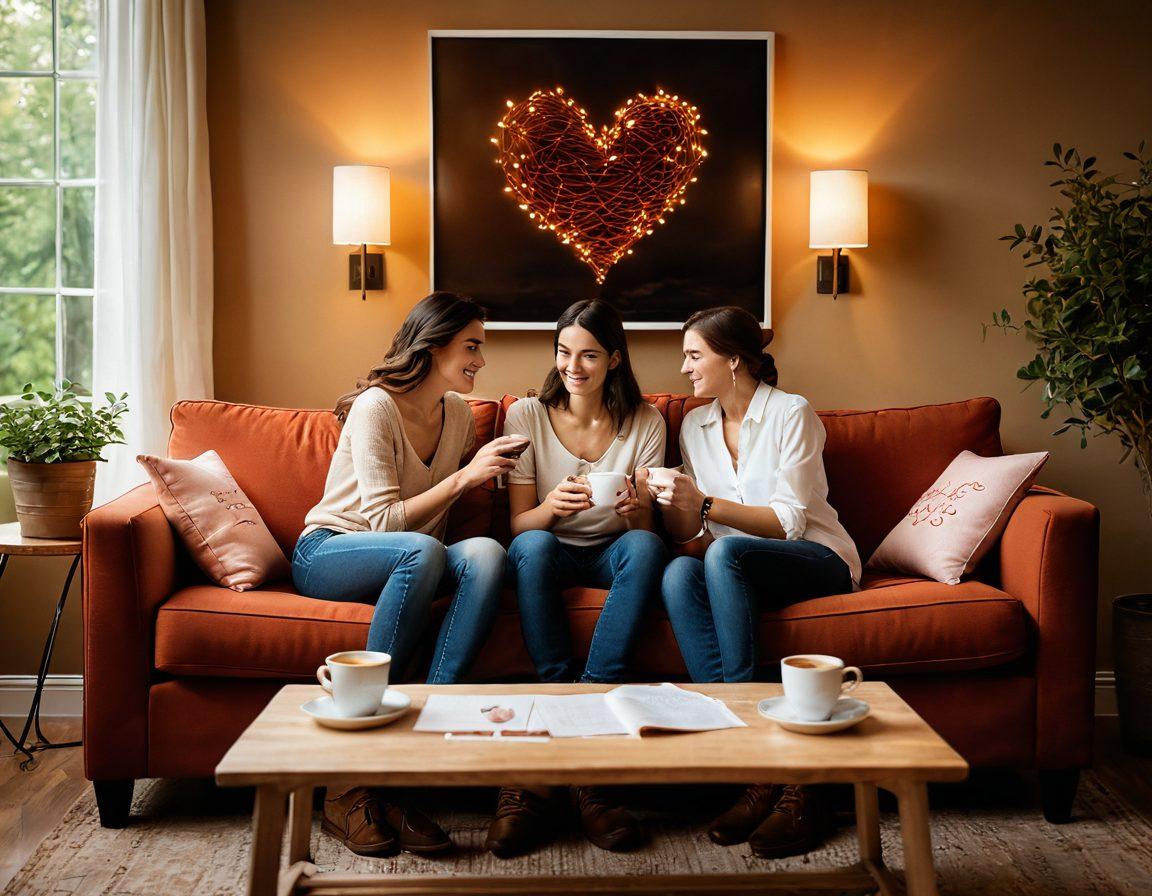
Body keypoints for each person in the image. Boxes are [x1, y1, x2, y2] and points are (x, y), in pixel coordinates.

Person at [292, 291, 526, 858]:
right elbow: (379, 521)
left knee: (490, 554)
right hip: (332, 550)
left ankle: (419, 735)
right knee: (421, 550)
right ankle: (348, 787)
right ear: (434, 345)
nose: (480, 360)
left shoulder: (457, 419)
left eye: (481, 348)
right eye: (471, 347)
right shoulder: (378, 406)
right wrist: (466, 477)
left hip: (415, 557)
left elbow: (439, 535)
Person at [654, 306, 861, 859]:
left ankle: (761, 771)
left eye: (695, 355)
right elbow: (694, 532)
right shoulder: (694, 425)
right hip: (737, 562)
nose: (684, 368)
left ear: (735, 359)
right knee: (678, 572)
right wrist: (671, 501)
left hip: (815, 558)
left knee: (725, 557)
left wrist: (704, 504)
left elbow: (789, 522)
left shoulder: (792, 413)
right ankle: (777, 776)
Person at [486, 299, 668, 858]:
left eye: (588, 355)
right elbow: (520, 527)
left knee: (644, 544)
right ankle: (578, 740)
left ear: (614, 359)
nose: (573, 366)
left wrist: (637, 508)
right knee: (536, 545)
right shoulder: (527, 416)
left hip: (614, 548)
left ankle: (584, 705)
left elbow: (648, 526)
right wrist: (552, 507)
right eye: (564, 352)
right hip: (551, 546)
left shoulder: (647, 421)